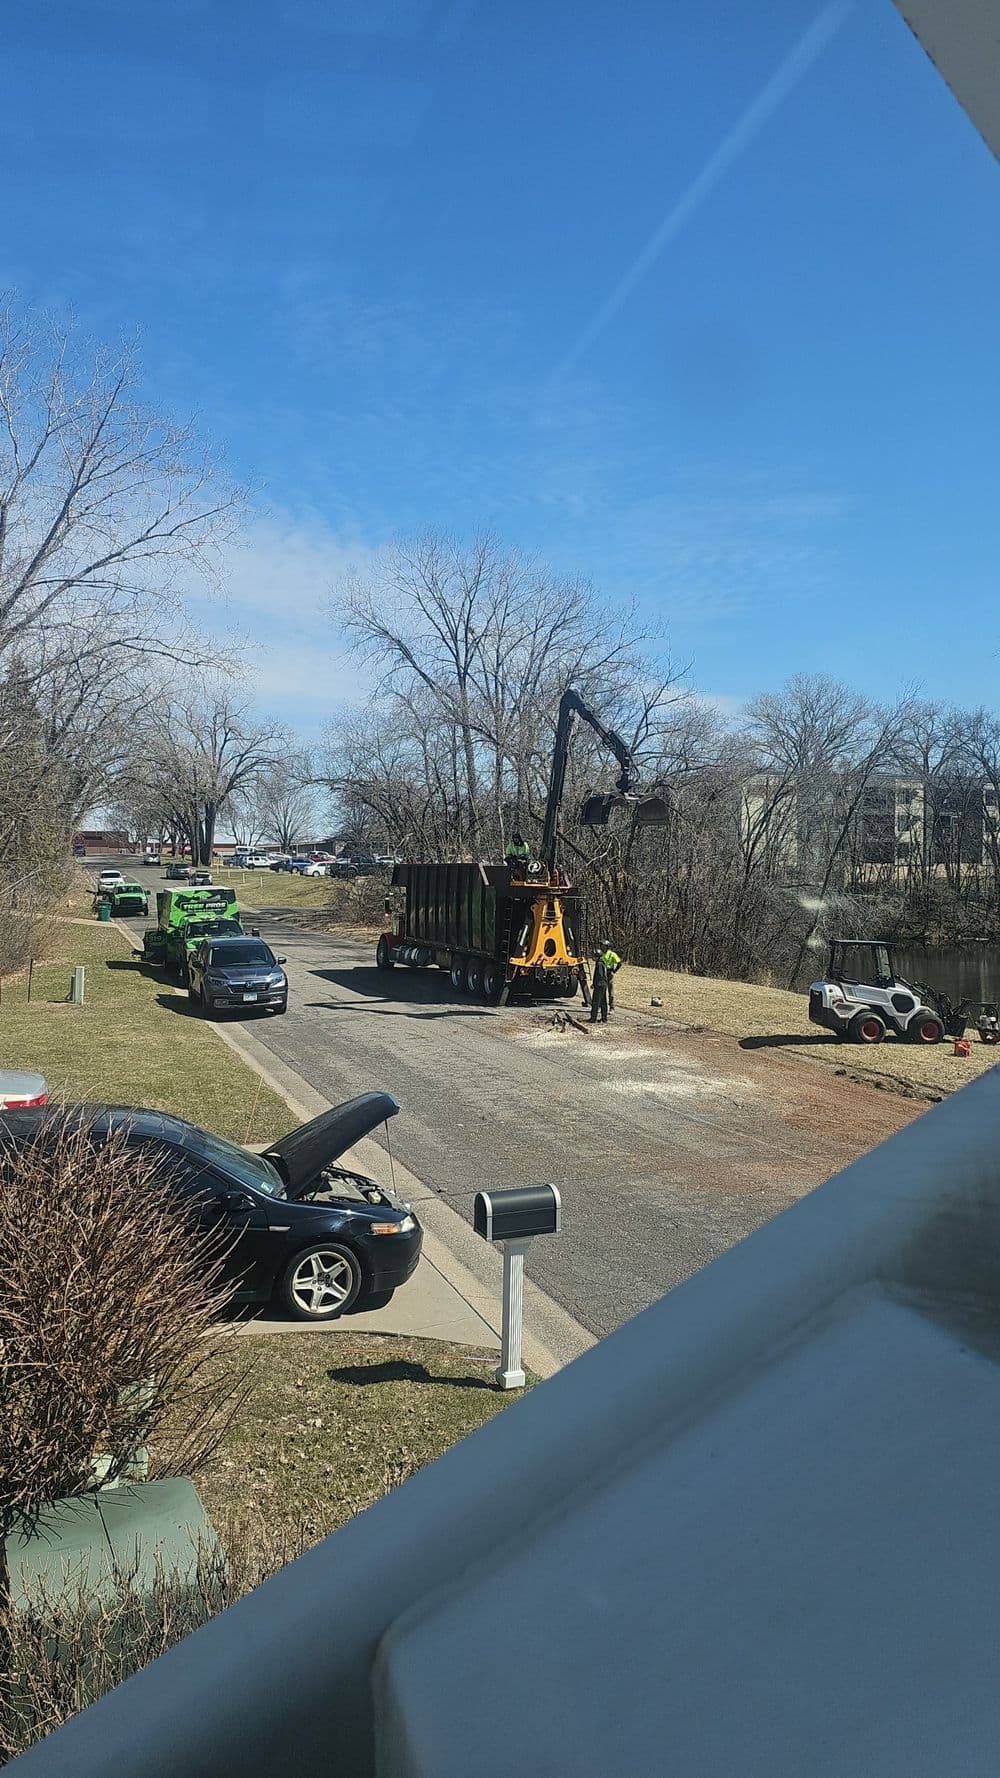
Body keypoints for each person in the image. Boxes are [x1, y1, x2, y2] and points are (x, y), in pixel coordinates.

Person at [589, 938, 622, 1024]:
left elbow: (599, 974)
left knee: (596, 1001)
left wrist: (613, 971)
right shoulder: (602, 958)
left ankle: (593, 1018)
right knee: (603, 1000)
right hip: (603, 980)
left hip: (603, 979)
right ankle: (604, 1018)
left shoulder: (606, 958)